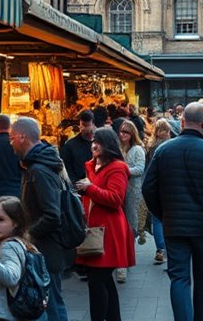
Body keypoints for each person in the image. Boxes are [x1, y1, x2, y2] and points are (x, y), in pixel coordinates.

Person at [142, 101, 203, 321]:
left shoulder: (163, 150)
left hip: (174, 226)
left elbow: (148, 187)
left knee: (179, 278)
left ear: (182, 122)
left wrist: (162, 214)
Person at [11, 117, 71, 321]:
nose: (10, 143)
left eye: (11, 138)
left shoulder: (39, 170)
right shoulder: (38, 165)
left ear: (21, 137)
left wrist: (26, 235)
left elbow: (52, 215)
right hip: (46, 248)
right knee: (51, 302)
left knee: (52, 303)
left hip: (47, 249)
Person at [74, 128, 135, 321]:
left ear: (108, 144)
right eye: (92, 141)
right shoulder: (91, 166)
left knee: (97, 281)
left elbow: (116, 199)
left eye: (97, 141)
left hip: (109, 231)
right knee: (104, 280)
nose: (93, 144)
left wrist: (89, 188)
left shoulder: (117, 167)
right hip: (94, 230)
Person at [0, 195, 40, 321]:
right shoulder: (23, 243)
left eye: (1, 219)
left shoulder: (8, 247)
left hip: (1, 314)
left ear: (15, 223)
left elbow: (10, 278)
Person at [116, 119, 146, 283]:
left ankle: (126, 258)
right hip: (117, 191)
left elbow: (140, 169)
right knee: (120, 226)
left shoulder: (137, 149)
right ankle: (122, 260)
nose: (122, 134)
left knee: (130, 226)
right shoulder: (118, 148)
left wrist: (121, 170)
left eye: (126, 132)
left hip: (132, 192)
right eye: (121, 131)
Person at [145, 119, 173, 264]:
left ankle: (160, 249)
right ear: (167, 131)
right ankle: (168, 248)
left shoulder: (151, 146)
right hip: (168, 186)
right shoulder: (170, 145)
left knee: (157, 219)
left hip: (155, 186)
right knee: (169, 217)